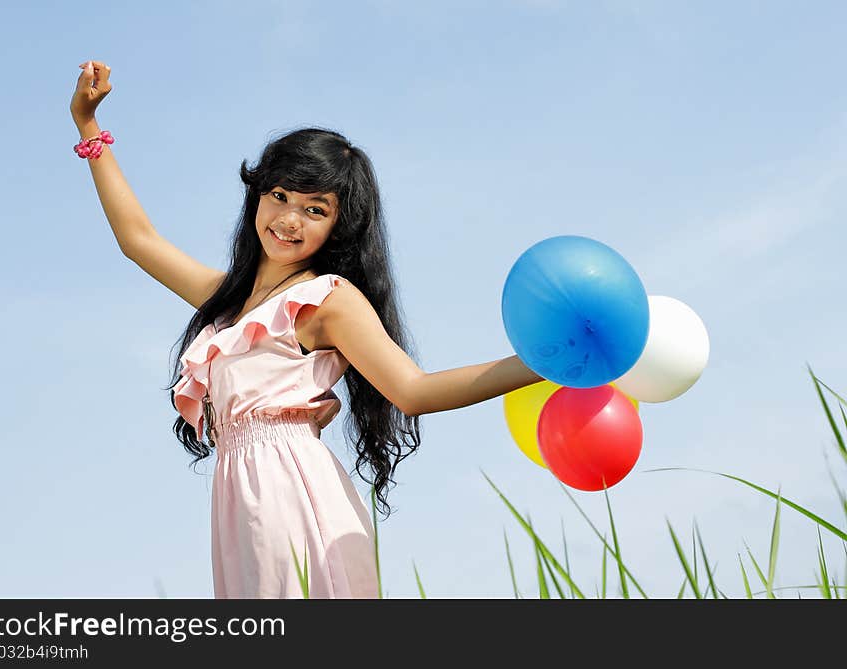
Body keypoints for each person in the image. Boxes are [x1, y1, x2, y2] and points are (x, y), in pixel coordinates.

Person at [70, 59, 544, 599]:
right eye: (279, 197)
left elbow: (414, 391)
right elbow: (138, 240)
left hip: (290, 490)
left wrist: (539, 364)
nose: (289, 219)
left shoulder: (327, 301)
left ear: (339, 226)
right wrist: (88, 127)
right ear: (258, 196)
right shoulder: (228, 303)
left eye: (314, 209)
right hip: (239, 502)